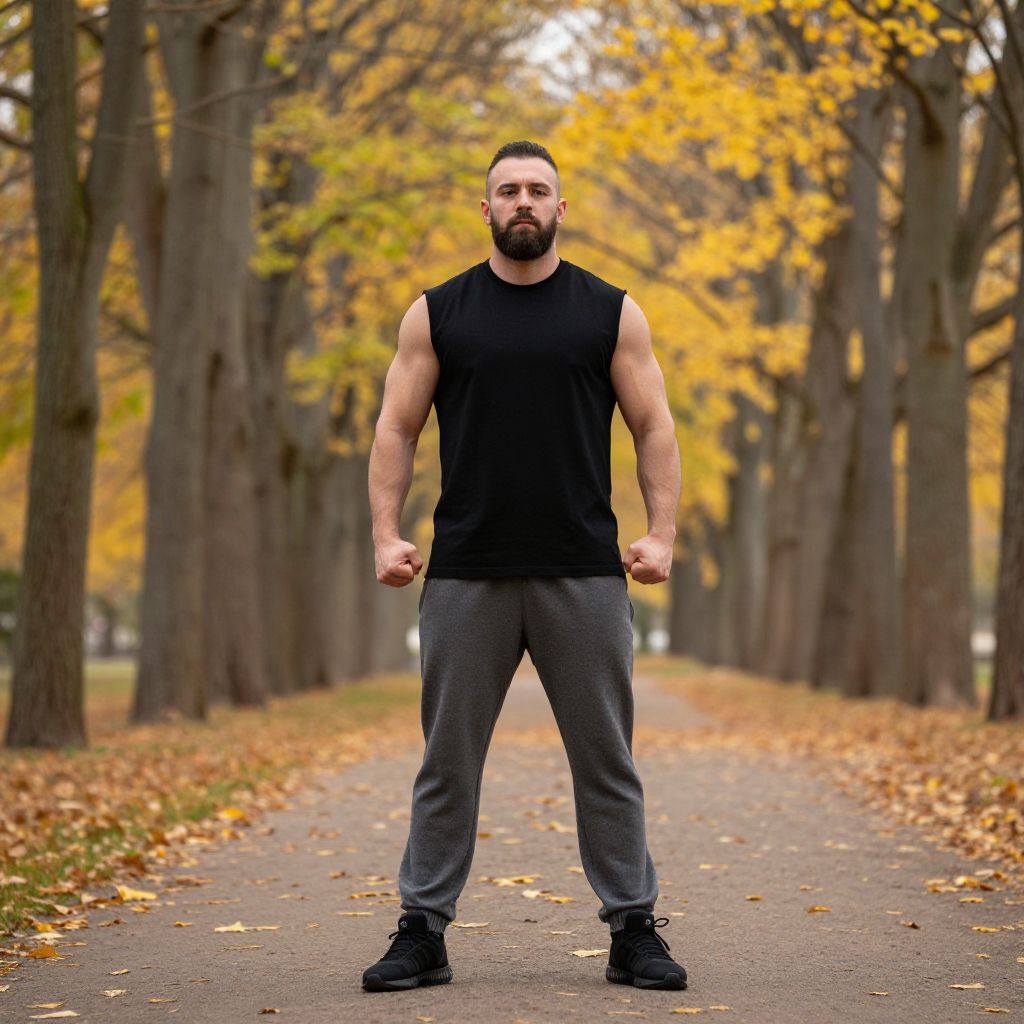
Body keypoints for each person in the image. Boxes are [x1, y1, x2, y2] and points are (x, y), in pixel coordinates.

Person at [363, 140, 685, 993]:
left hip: (583, 569)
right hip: (466, 571)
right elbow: (396, 427)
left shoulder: (611, 312)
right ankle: (421, 931)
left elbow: (654, 425)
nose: (523, 202)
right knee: (447, 762)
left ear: (561, 207)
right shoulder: (438, 312)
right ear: (485, 209)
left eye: (538, 189)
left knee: (606, 757)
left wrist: (662, 533)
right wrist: (384, 532)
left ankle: (634, 931)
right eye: (507, 190)